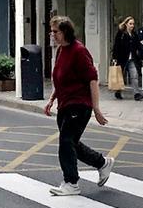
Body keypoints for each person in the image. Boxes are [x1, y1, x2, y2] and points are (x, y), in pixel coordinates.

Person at [43, 16, 114, 196]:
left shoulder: (79, 51)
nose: (52, 35)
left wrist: (96, 108)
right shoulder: (61, 50)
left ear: (65, 31)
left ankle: (71, 182)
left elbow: (92, 80)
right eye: (51, 32)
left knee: (66, 142)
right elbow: (60, 79)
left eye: (55, 32)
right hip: (64, 105)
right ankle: (102, 163)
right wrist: (52, 99)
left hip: (79, 105)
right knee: (72, 143)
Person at [111, 16, 142, 101]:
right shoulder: (121, 34)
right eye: (130, 24)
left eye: (133, 24)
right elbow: (116, 46)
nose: (132, 26)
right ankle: (118, 91)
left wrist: (140, 53)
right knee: (121, 76)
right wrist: (114, 58)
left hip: (132, 59)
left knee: (134, 75)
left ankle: (137, 93)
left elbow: (138, 46)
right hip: (122, 59)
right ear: (126, 24)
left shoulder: (134, 34)